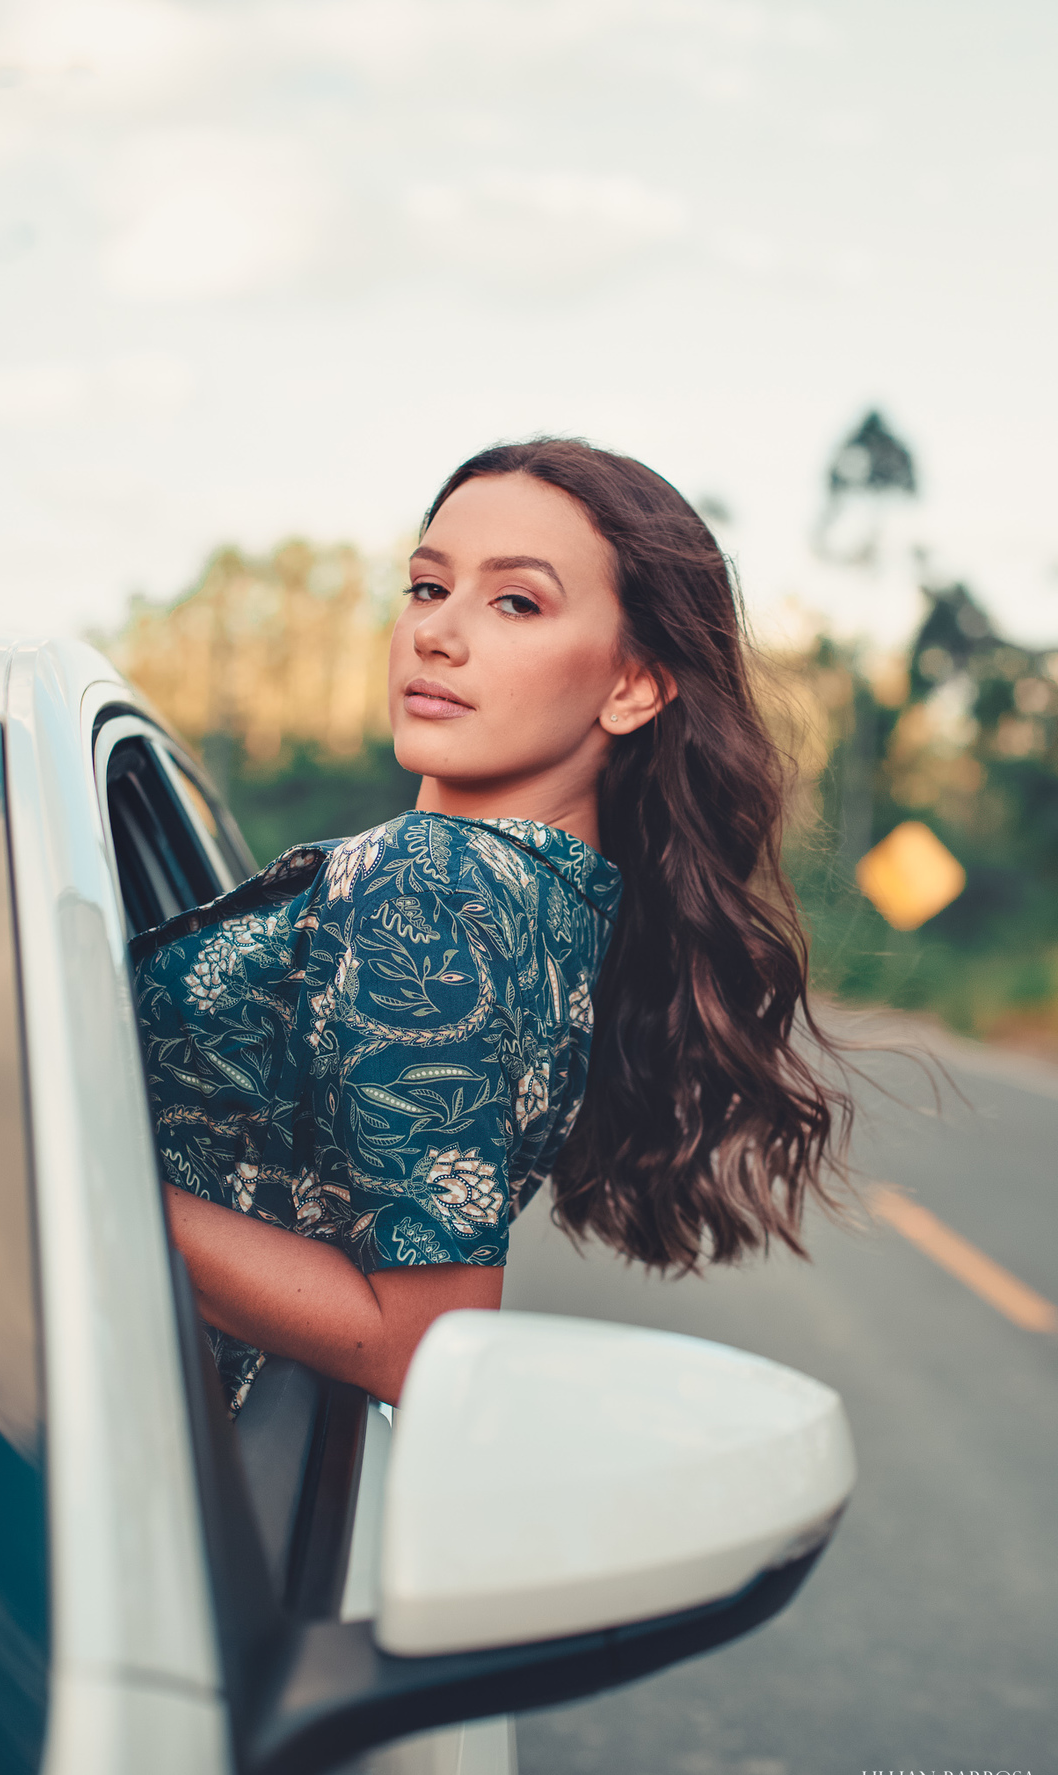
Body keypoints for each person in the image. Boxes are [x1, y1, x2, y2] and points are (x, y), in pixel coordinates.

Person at [131, 438, 849, 1413]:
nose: (438, 634)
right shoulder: (553, 905)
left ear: (633, 684)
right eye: (428, 588)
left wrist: (56, 1163)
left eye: (517, 602)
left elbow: (418, 1346)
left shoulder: (439, 888)